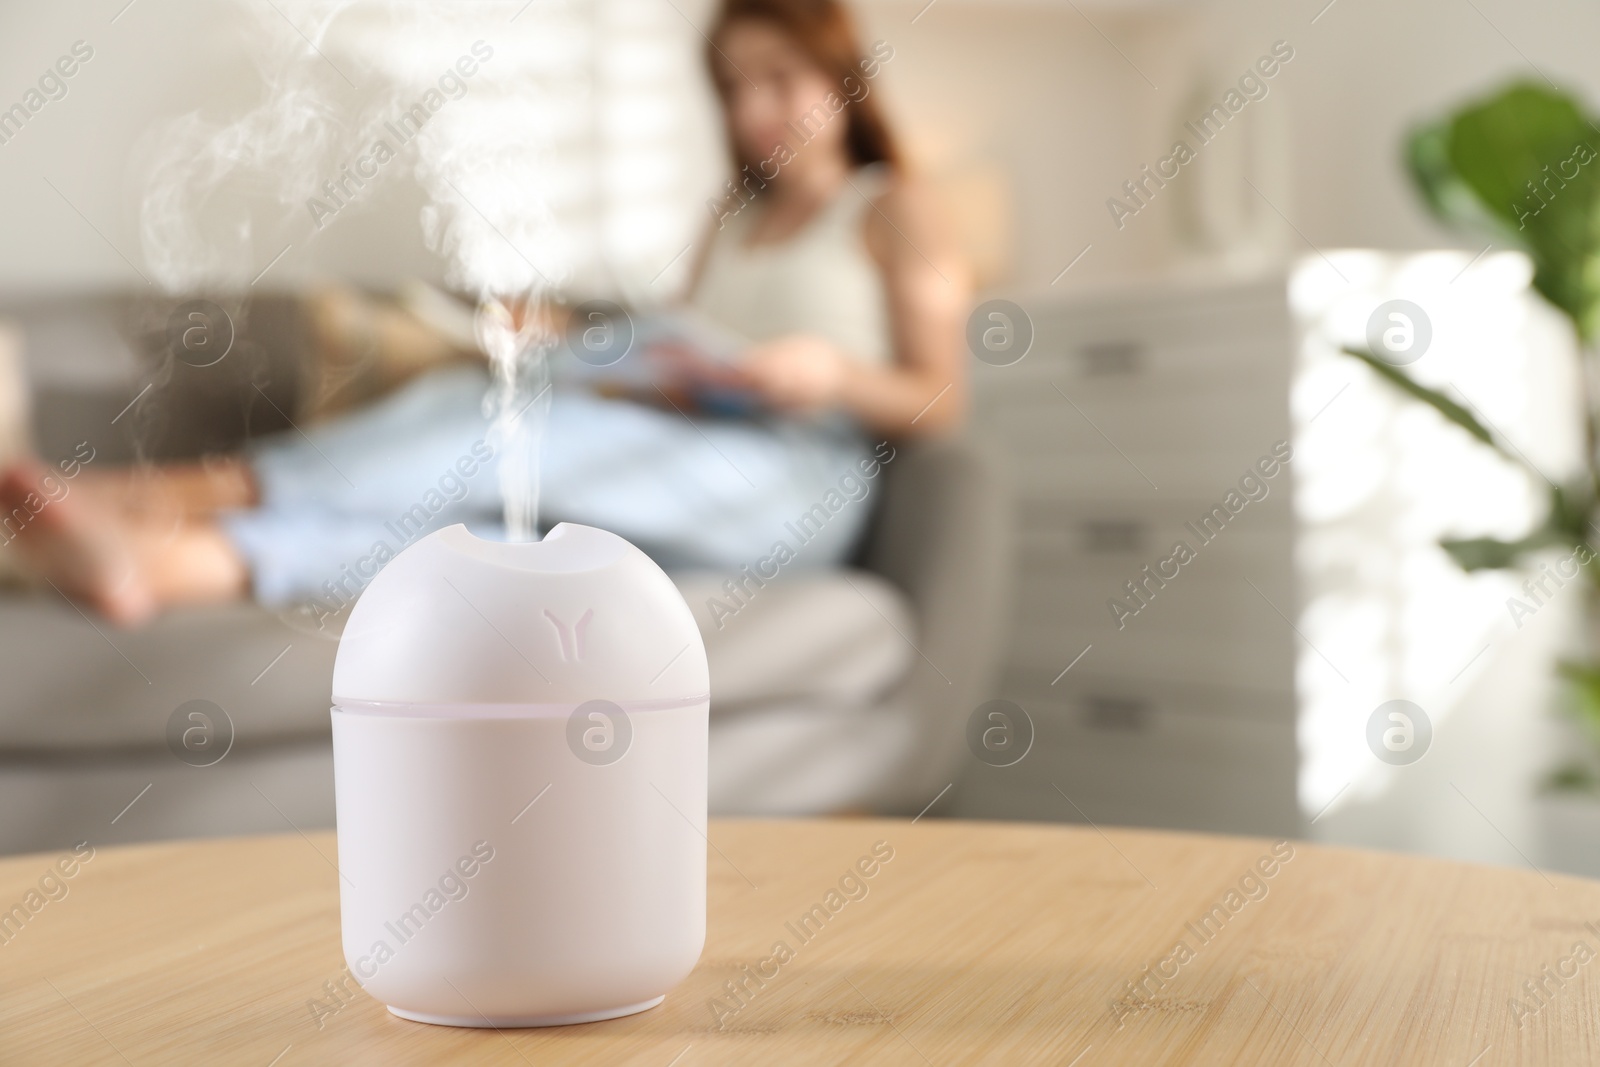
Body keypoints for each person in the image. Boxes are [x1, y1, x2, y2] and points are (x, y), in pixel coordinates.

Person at [0, 0, 969, 627]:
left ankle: (115, 494)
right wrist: (573, 342)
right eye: (734, 87)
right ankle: (143, 567)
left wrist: (828, 374)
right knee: (475, 547)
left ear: (840, 77)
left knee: (499, 434)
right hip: (687, 448)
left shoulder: (895, 208)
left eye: (780, 79)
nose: (756, 109)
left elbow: (941, 400)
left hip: (796, 482)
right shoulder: (730, 217)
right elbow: (674, 343)